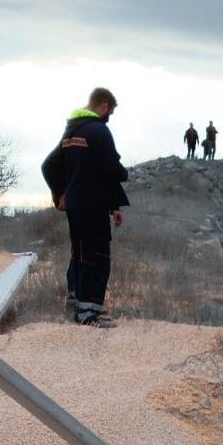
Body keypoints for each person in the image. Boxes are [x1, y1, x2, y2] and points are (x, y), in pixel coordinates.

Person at [41, 87, 128, 328]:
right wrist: (124, 173)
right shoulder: (98, 130)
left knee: (79, 253)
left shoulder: (72, 132)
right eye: (110, 111)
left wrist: (61, 193)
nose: (109, 116)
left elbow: (48, 166)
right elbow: (111, 169)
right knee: (96, 256)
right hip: (92, 206)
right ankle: (88, 314)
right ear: (103, 107)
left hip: (77, 206)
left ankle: (76, 303)